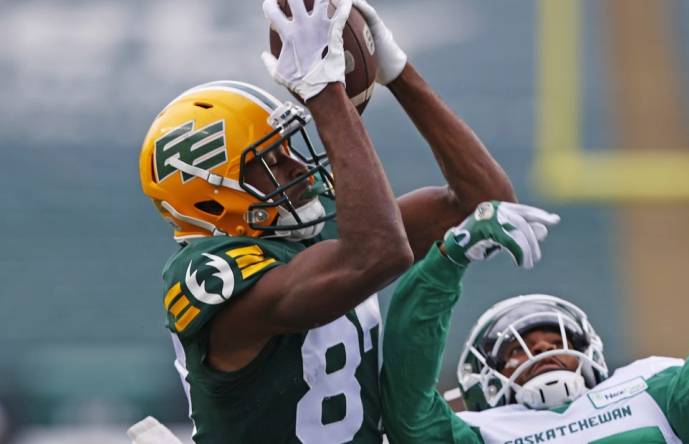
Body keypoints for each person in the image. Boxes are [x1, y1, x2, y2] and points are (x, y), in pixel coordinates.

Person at [138, 0, 515, 442]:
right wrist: (324, 92)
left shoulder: (314, 228)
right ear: (212, 197)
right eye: (271, 161)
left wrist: (398, 74)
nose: (298, 167)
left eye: (289, 147)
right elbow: (375, 256)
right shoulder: (207, 274)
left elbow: (486, 206)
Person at [381, 90, 689, 444]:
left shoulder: (653, 391)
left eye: (556, 341)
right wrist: (450, 256)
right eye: (521, 348)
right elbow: (408, 407)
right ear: (479, 379)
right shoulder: (480, 434)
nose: (544, 351)